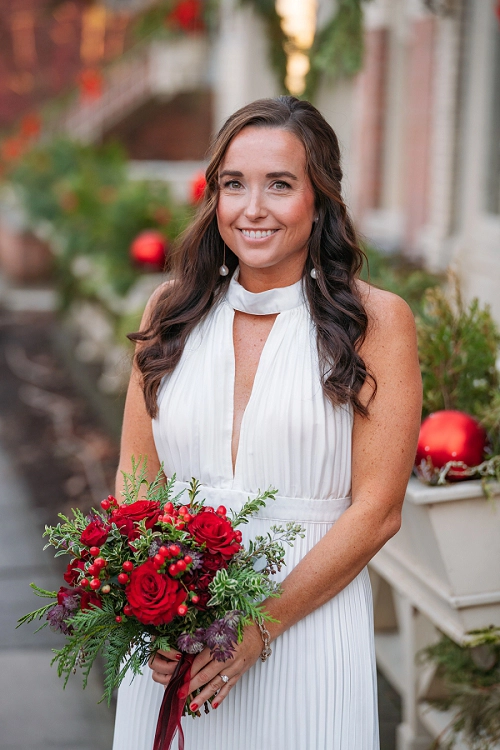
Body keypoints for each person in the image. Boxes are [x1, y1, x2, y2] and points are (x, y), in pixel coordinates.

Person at [111, 96, 422, 750]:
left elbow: (379, 509)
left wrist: (256, 629)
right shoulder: (170, 309)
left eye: (279, 185)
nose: (252, 209)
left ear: (320, 199)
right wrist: (150, 609)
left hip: (307, 631)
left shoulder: (376, 323)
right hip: (176, 639)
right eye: (233, 184)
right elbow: (136, 477)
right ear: (214, 197)